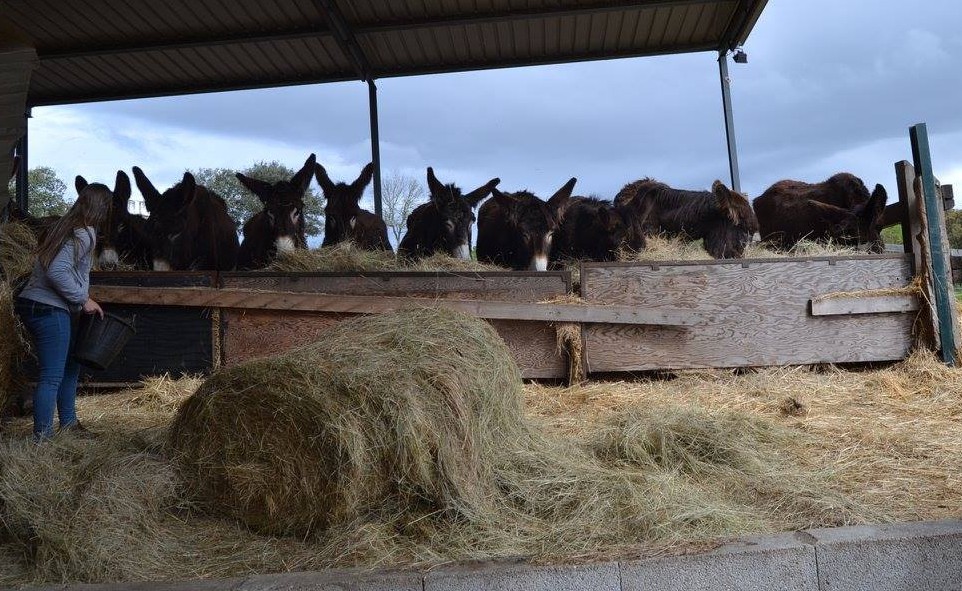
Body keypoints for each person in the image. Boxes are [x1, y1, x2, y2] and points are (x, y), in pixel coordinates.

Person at [15, 183, 109, 441]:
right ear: (102, 208)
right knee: (52, 375)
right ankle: (43, 439)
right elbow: (57, 271)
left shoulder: (67, 227)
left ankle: (69, 423)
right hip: (47, 307)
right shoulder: (83, 233)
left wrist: (80, 301)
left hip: (40, 304)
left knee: (70, 366)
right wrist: (83, 299)